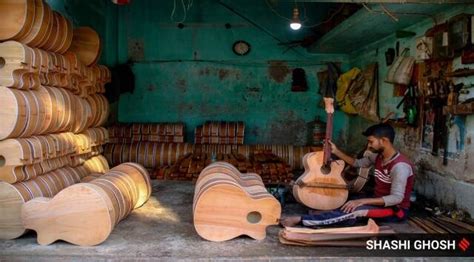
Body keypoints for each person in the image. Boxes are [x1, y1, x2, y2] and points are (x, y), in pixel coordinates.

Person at [281, 123, 415, 227]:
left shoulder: (400, 166)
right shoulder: (379, 157)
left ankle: (302, 220)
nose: (369, 146)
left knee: (353, 211)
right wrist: (336, 151)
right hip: (378, 201)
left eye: (371, 141)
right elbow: (356, 163)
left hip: (395, 210)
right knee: (345, 198)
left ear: (384, 141)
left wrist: (362, 202)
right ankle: (327, 214)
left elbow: (396, 198)